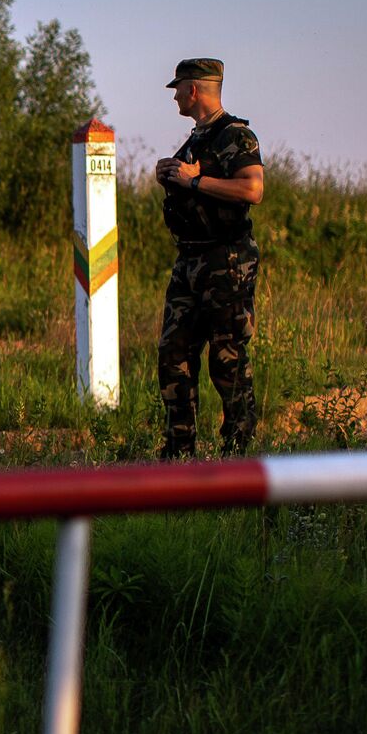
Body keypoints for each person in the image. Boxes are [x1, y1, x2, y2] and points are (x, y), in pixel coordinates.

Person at [152, 58, 266, 459]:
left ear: (194, 90)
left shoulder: (236, 135)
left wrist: (195, 180)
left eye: (178, 88)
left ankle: (237, 453)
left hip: (227, 261)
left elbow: (252, 189)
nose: (175, 96)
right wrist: (170, 172)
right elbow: (188, 181)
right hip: (190, 261)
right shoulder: (195, 139)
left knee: (227, 358)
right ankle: (179, 453)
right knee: (173, 354)